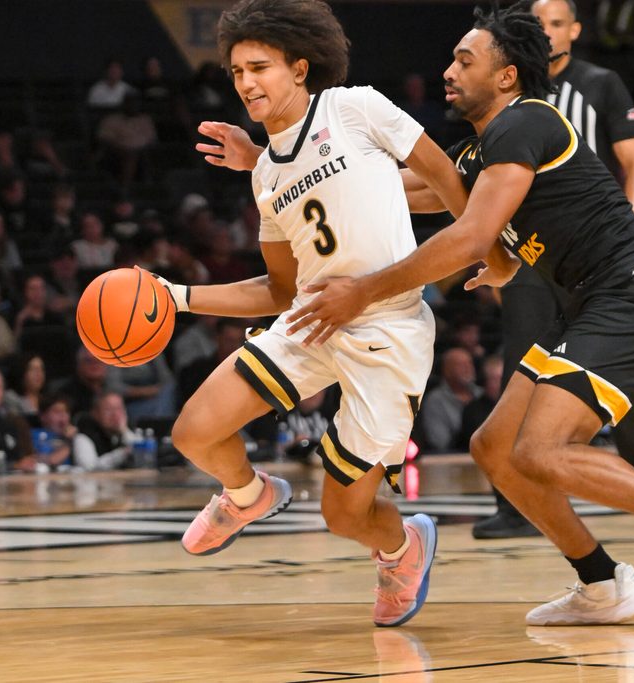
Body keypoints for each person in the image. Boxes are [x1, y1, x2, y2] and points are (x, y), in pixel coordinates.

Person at [284, 4, 634, 629]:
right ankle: (603, 584)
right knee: (494, 447)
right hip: (586, 300)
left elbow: (468, 237)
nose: (448, 70)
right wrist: (277, 166)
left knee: (542, 451)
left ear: (509, 76)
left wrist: (363, 290)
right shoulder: (485, 149)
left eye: (466, 60)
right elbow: (391, 191)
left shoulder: (527, 122)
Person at [158, 0, 471, 627]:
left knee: (343, 516)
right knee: (193, 430)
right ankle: (247, 496)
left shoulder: (355, 107)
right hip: (311, 320)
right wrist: (177, 297)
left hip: (386, 329)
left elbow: (446, 181)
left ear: (300, 68)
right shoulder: (266, 172)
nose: (246, 82)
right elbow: (280, 290)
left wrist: (488, 245)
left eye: (260, 67)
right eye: (238, 71)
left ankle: (402, 548)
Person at [475, 0, 634, 541]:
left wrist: (621, 240)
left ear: (576, 31)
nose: (547, 31)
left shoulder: (601, 83)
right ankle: (516, 505)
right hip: (532, 255)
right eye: (538, 23)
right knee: (520, 366)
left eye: (557, 23)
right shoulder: (505, 95)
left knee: (609, 377)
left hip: (599, 251)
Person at [419, 347, 482, 453]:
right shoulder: (435, 401)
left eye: (469, 363)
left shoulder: (482, 395)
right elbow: (439, 443)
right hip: (450, 459)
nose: (468, 368)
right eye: (461, 365)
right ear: (447, 370)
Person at [72, 391, 135, 471]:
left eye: (119, 409)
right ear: (95, 414)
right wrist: (122, 454)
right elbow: (88, 469)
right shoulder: (83, 436)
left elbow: (143, 453)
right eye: (108, 409)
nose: (115, 415)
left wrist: (124, 431)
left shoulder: (128, 431)